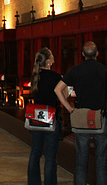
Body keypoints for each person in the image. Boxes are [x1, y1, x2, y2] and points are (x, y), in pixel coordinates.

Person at [54, 41, 107, 185]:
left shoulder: (75, 70)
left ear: (82, 54)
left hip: (82, 117)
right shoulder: (105, 70)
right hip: (100, 117)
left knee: (81, 162)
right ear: (97, 54)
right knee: (101, 161)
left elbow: (57, 89)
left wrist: (69, 108)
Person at [27, 48, 64, 185]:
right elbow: (62, 95)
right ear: (49, 61)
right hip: (51, 117)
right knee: (50, 157)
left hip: (37, 117)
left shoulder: (35, 75)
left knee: (35, 152)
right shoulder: (56, 77)